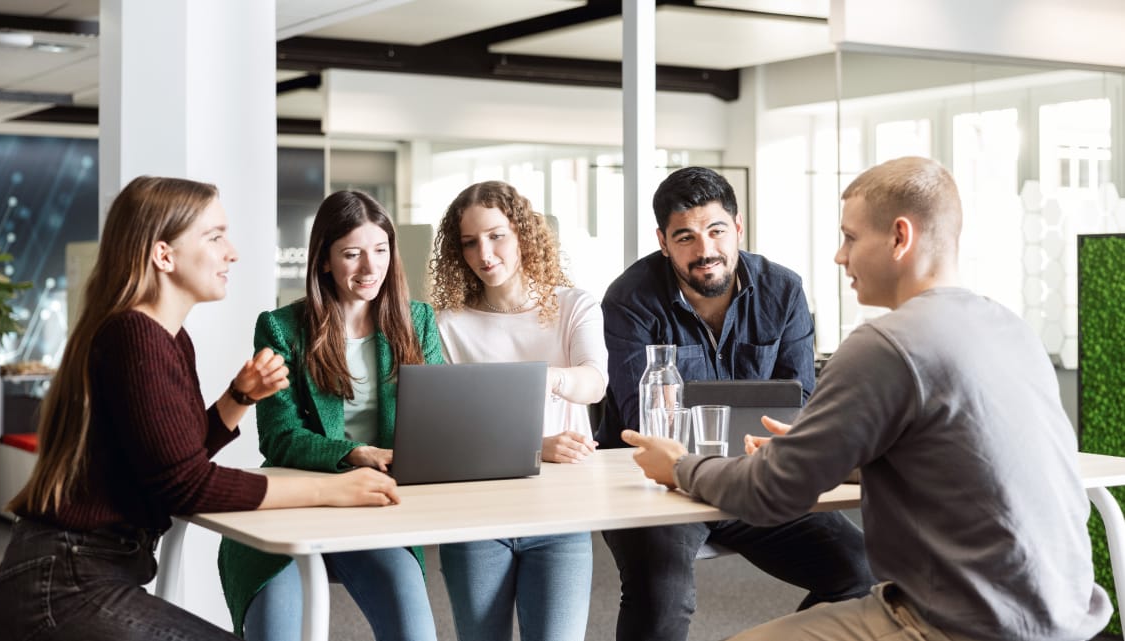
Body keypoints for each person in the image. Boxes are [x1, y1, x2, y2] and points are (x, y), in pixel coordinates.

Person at [626, 156, 1112, 641]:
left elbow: (770, 493)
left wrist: (681, 465)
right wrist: (828, 450)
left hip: (959, 625)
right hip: (1066, 620)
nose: (840, 256)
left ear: (900, 237)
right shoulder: (1010, 328)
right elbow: (945, 451)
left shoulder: (885, 344)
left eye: (851, 239)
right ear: (664, 243)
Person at [0, 177, 402, 641]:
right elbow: (185, 485)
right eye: (215, 236)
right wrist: (331, 491)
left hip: (81, 574)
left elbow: (174, 460)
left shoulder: (166, 336)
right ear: (164, 256)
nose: (233, 252)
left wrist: (237, 399)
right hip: (64, 585)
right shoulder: (136, 335)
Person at [598, 166, 875, 641]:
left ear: (738, 228)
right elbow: (642, 416)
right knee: (662, 598)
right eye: (685, 237)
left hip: (753, 474)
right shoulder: (630, 299)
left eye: (716, 230)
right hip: (658, 486)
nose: (705, 250)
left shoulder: (782, 290)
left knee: (862, 571)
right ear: (663, 242)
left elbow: (800, 401)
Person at [217, 190, 442, 641]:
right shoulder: (281, 327)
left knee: (415, 630)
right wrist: (355, 452)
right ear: (323, 261)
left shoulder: (416, 320)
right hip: (294, 503)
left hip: (374, 508)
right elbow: (279, 437)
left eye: (380, 251)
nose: (369, 267)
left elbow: (439, 418)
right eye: (352, 254)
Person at [428, 180, 607, 641]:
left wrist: (548, 378)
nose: (484, 254)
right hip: (476, 517)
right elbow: (447, 432)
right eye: (469, 242)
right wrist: (536, 447)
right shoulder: (448, 324)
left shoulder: (574, 306)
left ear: (523, 234)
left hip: (561, 515)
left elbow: (594, 382)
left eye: (496, 235)